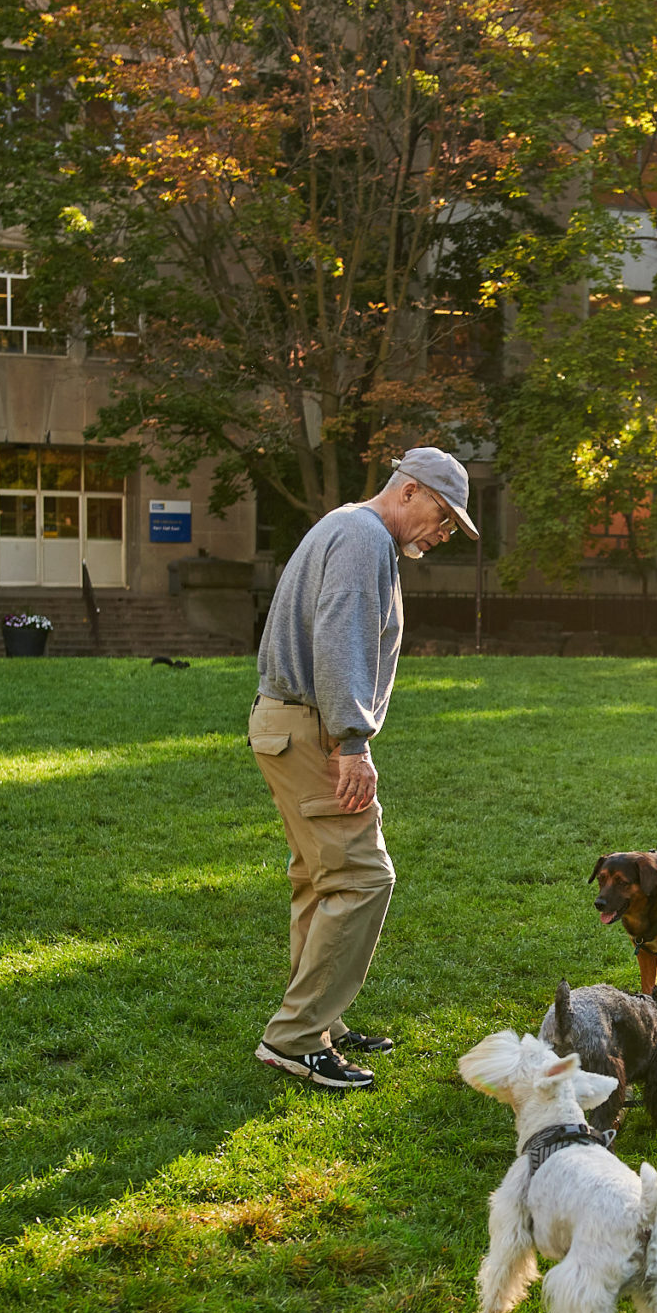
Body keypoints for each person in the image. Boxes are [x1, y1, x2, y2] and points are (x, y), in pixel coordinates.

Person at [247, 447, 476, 1089]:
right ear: (408, 493)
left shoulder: (346, 526)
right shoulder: (364, 537)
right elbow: (340, 636)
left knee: (320, 880)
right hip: (314, 729)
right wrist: (352, 742)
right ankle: (295, 1037)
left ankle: (319, 1023)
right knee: (362, 877)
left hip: (287, 724)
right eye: (443, 514)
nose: (445, 531)